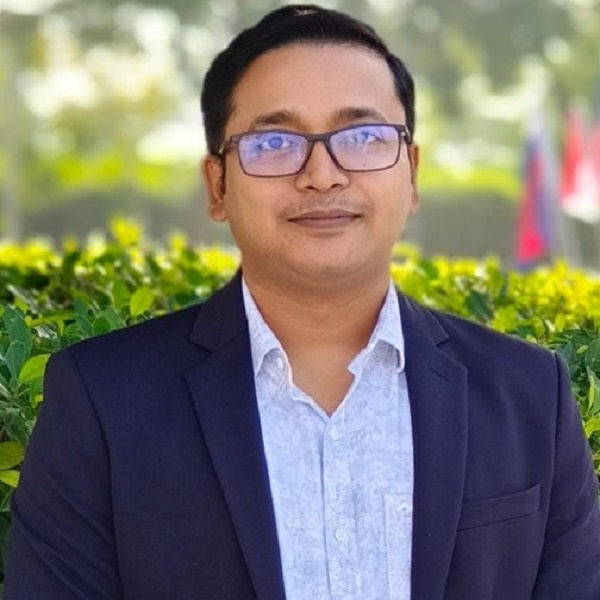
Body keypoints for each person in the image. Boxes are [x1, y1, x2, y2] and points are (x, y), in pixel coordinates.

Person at [5, 4, 600, 599]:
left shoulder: (528, 394)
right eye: (274, 142)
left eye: (363, 137)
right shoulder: (105, 400)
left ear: (412, 173)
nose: (322, 174)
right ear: (218, 185)